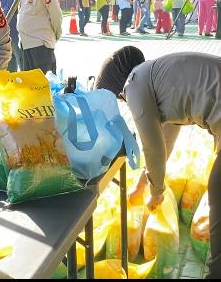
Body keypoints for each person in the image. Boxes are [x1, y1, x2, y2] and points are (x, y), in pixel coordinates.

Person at [95, 47, 221, 279]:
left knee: (218, 193)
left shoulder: (135, 83)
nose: (123, 100)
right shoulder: (159, 79)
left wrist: (156, 192)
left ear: (117, 84)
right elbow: (164, 143)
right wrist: (143, 186)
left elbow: (151, 146)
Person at [15, 0, 62, 73]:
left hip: (41, 44)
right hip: (26, 44)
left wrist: (54, 35)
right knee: (29, 86)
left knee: (44, 85)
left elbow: (56, 14)